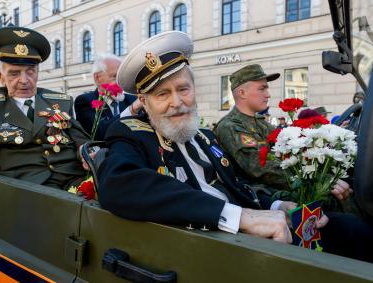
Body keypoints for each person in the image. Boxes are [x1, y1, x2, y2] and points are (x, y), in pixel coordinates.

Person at [97, 31, 315, 244]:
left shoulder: (205, 136)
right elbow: (118, 184)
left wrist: (275, 205)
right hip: (208, 248)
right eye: (162, 94)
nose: (177, 102)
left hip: (256, 233)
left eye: (183, 89)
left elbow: (236, 185)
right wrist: (238, 218)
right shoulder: (131, 133)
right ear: (144, 102)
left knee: (341, 228)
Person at [213, 64, 373, 261]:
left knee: (349, 200)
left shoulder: (261, 123)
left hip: (285, 190)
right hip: (265, 198)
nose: (268, 94)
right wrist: (317, 179)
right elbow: (260, 169)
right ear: (242, 92)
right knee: (350, 222)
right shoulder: (231, 127)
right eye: (262, 88)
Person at [0, 26, 89, 190]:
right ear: (0, 77)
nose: (24, 80)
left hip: (76, 182)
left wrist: (86, 151)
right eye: (14, 73)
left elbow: (81, 139)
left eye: (31, 72)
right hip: (27, 192)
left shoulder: (61, 102)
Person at [74, 54, 143, 140]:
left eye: (121, 78)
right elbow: (100, 133)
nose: (120, 83)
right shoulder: (85, 101)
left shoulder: (131, 100)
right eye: (114, 77)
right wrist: (131, 110)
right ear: (98, 78)